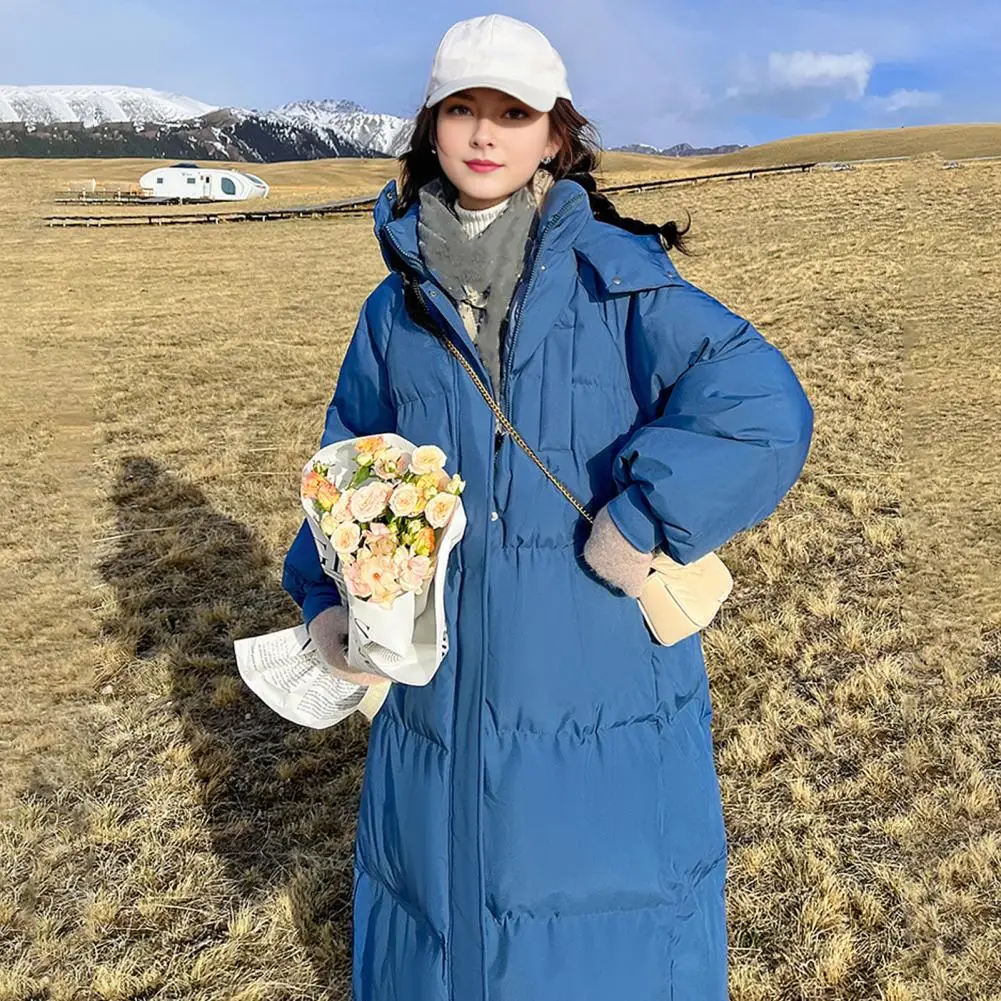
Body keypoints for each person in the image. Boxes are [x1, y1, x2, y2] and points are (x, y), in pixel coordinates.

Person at [281, 13, 814, 1001]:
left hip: (596, 692)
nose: (484, 135)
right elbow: (346, 466)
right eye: (462, 110)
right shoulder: (392, 309)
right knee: (440, 931)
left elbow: (761, 406)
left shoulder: (619, 281)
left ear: (554, 137)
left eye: (512, 114)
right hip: (434, 701)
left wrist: (648, 513)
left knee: (593, 935)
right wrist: (327, 600)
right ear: (430, 126)